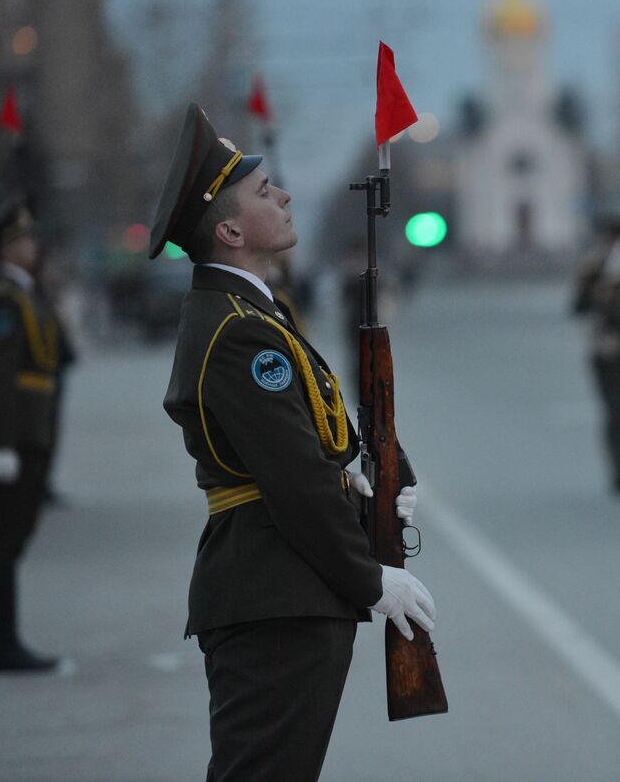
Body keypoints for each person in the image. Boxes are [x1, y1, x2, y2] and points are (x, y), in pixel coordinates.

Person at [149, 104, 436, 781]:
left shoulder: (248, 311)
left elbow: (311, 439)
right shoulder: (237, 329)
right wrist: (368, 580)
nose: (281, 195)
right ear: (228, 229)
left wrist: (369, 478)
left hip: (282, 586)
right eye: (260, 191)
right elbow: (294, 476)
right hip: (274, 591)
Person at [0, 195, 64, 671]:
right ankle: (1, 646)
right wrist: (2, 445)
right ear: (4, 248)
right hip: (14, 437)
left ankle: (6, 641)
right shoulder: (3, 301)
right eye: (22, 238)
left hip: (31, 432)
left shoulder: (26, 292)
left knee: (12, 538)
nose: (32, 244)